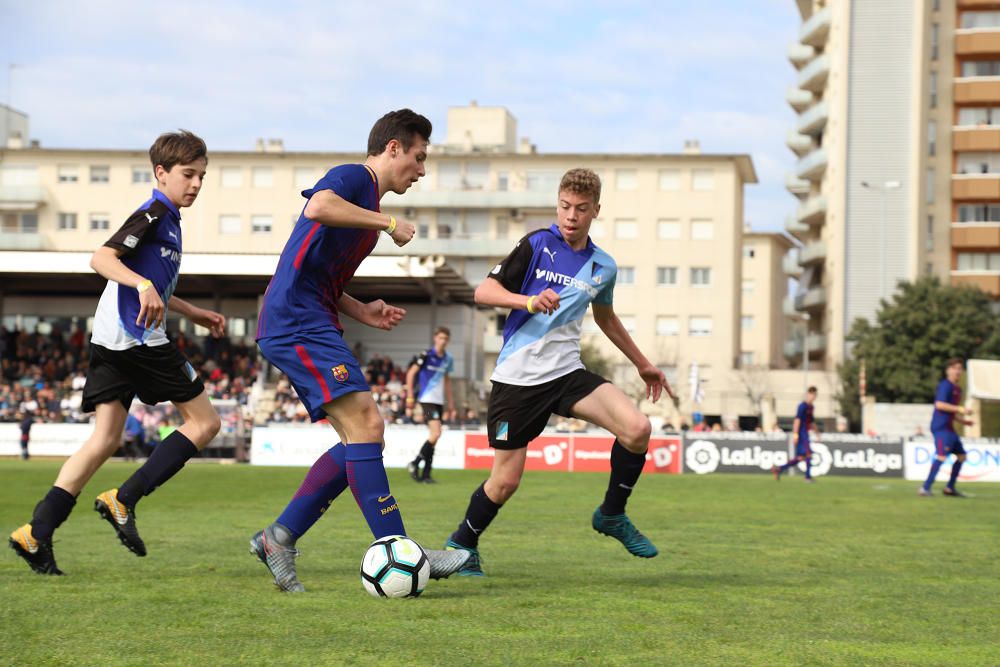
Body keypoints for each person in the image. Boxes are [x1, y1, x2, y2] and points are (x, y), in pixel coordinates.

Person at [248, 109, 468, 593]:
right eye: (419, 157)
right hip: (295, 320)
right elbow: (318, 206)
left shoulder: (366, 216)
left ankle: (278, 537)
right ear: (393, 148)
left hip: (314, 317)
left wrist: (361, 309)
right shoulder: (354, 178)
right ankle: (401, 548)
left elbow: (321, 275)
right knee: (368, 423)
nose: (422, 170)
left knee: (360, 439)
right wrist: (389, 222)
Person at [8, 131, 225, 575]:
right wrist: (143, 285)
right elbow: (102, 259)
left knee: (105, 439)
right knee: (205, 423)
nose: (196, 184)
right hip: (136, 339)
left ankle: (36, 532)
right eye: (188, 174)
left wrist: (192, 311)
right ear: (161, 172)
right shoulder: (153, 213)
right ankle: (123, 499)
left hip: (111, 340)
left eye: (202, 176)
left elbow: (154, 284)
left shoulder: (170, 221)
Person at [442, 168, 674, 576]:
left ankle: (612, 514)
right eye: (565, 206)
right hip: (518, 378)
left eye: (581, 209)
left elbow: (606, 318)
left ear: (596, 210)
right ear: (557, 204)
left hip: (567, 373)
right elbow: (484, 291)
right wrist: (528, 302)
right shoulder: (537, 244)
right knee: (505, 482)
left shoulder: (603, 266)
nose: (571, 216)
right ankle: (462, 543)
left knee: (637, 429)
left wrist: (643, 363)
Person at [405, 326, 455, 483]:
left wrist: (451, 404)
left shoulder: (448, 358)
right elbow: (410, 374)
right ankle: (415, 463)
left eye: (445, 338)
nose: (443, 341)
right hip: (426, 400)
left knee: (434, 437)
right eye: (440, 338)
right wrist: (410, 397)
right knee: (436, 433)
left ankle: (426, 475)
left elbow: (447, 381)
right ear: (435, 338)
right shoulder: (426, 355)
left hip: (439, 402)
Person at [920, 358, 974, 497]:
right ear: (948, 370)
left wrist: (963, 422)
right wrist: (961, 409)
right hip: (941, 427)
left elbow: (951, 411)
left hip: (950, 428)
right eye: (955, 368)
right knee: (942, 456)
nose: (958, 371)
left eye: (960, 368)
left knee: (961, 456)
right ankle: (925, 488)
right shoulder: (945, 385)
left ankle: (949, 488)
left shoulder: (957, 389)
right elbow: (940, 404)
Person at [772, 386, 819, 482]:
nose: (813, 396)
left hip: (806, 434)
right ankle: (807, 477)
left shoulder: (811, 407)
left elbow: (811, 421)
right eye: (812, 394)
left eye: (814, 395)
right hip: (802, 434)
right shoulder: (802, 406)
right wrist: (795, 434)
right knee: (808, 454)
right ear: (808, 394)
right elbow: (797, 420)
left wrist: (817, 432)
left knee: (800, 457)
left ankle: (779, 469)